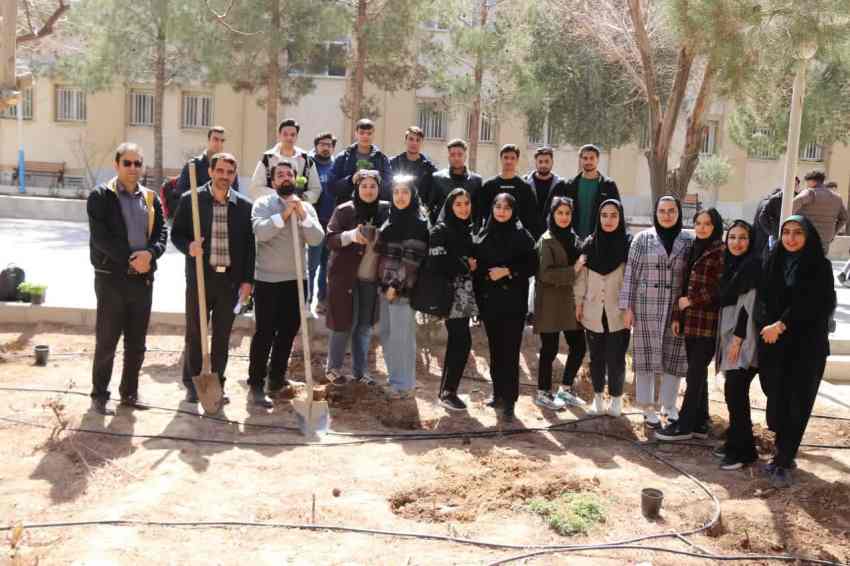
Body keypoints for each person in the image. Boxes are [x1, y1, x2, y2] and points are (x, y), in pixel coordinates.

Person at [87, 143, 168, 415]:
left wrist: (150, 255)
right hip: (111, 279)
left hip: (143, 280)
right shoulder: (101, 196)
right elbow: (101, 238)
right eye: (127, 163)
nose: (133, 168)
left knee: (136, 343)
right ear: (117, 165)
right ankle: (100, 395)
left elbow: (161, 233)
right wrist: (132, 259)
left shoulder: (151, 198)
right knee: (107, 341)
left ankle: (130, 393)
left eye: (137, 163)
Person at [756, 215, 835, 488]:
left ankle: (784, 459)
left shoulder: (820, 266)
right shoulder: (774, 260)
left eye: (798, 232)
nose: (790, 238)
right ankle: (782, 449)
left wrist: (782, 323)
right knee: (776, 401)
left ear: (808, 236)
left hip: (807, 347)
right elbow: (763, 297)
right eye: (786, 232)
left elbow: (816, 304)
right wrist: (766, 324)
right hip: (775, 344)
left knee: (797, 404)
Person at [171, 153, 255, 404]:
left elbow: (250, 248)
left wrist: (247, 281)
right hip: (200, 279)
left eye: (229, 172)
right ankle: (192, 384)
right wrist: (189, 246)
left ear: (234, 175)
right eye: (220, 170)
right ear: (210, 171)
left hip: (230, 282)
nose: (224, 176)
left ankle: (217, 384)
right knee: (195, 333)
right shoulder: (191, 200)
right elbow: (176, 234)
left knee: (221, 337)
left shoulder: (244, 206)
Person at [248, 162, 324, 407]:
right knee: (265, 333)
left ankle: (276, 379)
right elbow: (260, 232)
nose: (285, 178)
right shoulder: (263, 204)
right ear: (273, 182)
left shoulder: (306, 207)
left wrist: (301, 215)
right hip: (268, 280)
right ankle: (256, 383)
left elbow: (317, 239)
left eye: (289, 174)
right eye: (279, 175)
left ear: (295, 178)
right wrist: (284, 215)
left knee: (288, 332)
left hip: (296, 281)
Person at [619, 195, 693, 428]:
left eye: (672, 211)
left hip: (676, 309)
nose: (667, 215)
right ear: (656, 213)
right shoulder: (642, 239)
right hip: (646, 306)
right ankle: (647, 406)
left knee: (674, 356)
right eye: (662, 211)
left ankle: (669, 405)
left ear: (679, 213)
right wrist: (627, 308)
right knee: (646, 356)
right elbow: (631, 274)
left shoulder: (688, 240)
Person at [657, 208, 725, 442]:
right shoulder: (692, 248)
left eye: (707, 224)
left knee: (694, 375)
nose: (702, 228)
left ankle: (684, 425)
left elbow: (720, 288)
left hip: (708, 323)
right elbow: (683, 285)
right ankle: (700, 422)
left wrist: (692, 301)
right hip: (690, 322)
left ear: (715, 227)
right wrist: (677, 316)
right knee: (698, 373)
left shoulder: (720, 251)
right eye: (698, 223)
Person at [474, 193, 538, 422]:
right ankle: (498, 394)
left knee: (510, 353)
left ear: (513, 211)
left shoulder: (522, 235)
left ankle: (510, 401)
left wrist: (507, 271)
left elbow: (533, 264)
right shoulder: (484, 233)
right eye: (498, 206)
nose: (501, 211)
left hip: (513, 304)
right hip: (490, 303)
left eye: (507, 208)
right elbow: (478, 267)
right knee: (495, 350)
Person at [325, 170, 391, 384]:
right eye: (364, 186)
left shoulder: (386, 211)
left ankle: (360, 372)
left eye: (373, 186)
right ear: (357, 188)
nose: (368, 190)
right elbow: (330, 239)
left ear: (379, 188)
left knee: (364, 327)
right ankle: (333, 368)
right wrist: (351, 236)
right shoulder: (344, 211)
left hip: (371, 279)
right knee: (343, 324)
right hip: (345, 278)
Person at [575, 199, 632, 416]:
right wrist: (578, 303)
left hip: (619, 312)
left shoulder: (628, 244)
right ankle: (598, 399)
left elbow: (632, 280)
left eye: (613, 215)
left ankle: (616, 400)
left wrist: (630, 308)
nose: (608, 220)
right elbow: (581, 279)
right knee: (596, 357)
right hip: (593, 311)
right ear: (598, 217)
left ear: (620, 218)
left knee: (616, 358)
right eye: (604, 215)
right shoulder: (589, 244)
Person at [712, 220, 761, 471]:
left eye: (743, 238)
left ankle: (744, 452)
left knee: (735, 393)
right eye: (732, 237)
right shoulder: (733, 264)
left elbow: (747, 307)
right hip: (732, 335)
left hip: (742, 339)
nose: (737, 242)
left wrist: (738, 340)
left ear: (751, 241)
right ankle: (736, 443)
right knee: (734, 393)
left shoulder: (752, 266)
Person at [376, 175, 429, 399]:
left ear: (412, 195)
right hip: (385, 287)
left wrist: (395, 286)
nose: (400, 196)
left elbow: (411, 261)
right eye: (396, 192)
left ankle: (404, 384)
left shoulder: (417, 223)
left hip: (402, 290)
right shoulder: (390, 218)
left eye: (405, 192)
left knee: (402, 337)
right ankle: (395, 379)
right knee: (388, 334)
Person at [533, 197, 586, 410]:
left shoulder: (574, 238)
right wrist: (574, 270)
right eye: (559, 213)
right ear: (552, 215)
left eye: (567, 213)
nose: (564, 217)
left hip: (570, 301)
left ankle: (565, 389)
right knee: (549, 349)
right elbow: (545, 274)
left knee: (579, 346)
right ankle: (543, 392)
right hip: (550, 302)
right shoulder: (546, 240)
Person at [431, 188, 479, 411]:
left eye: (466, 203)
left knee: (458, 341)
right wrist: (464, 264)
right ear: (450, 207)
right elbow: (437, 262)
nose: (463, 208)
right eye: (458, 204)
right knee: (461, 341)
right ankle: (448, 392)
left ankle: (447, 391)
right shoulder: (441, 229)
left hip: (465, 293)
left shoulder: (468, 229)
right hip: (449, 293)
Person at [548, 144, 620, 239]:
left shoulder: (608, 185)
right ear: (580, 160)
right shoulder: (569, 185)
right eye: (585, 158)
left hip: (598, 239)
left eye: (592, 158)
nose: (588, 161)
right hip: (572, 240)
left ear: (597, 160)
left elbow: (617, 213)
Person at [475, 144, 543, 239]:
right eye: (506, 157)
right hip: (492, 236)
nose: (509, 161)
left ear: (517, 160)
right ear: (501, 159)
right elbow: (480, 213)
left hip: (518, 238)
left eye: (512, 158)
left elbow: (532, 217)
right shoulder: (489, 185)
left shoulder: (525, 187)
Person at [248, 118, 321, 204]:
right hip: (271, 207)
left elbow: (316, 189)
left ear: (297, 136)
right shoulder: (267, 158)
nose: (289, 137)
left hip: (298, 207)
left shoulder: (307, 160)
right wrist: (282, 196)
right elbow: (255, 188)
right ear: (279, 135)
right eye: (285, 134)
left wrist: (300, 198)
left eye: (293, 135)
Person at [173, 127, 240, 216]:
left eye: (222, 140)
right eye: (216, 139)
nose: (219, 143)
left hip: (222, 216)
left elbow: (235, 195)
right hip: (197, 216)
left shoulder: (230, 168)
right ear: (208, 140)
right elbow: (181, 193)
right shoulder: (193, 165)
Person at [329, 118, 393, 203]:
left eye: (369, 133)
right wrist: (351, 179)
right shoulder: (342, 157)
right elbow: (331, 187)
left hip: (374, 207)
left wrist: (379, 180)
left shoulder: (382, 159)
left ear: (374, 135)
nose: (365, 136)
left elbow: (390, 189)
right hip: (349, 206)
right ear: (356, 134)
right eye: (362, 133)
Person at [308, 132, 338, 314]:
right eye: (322, 144)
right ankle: (307, 300)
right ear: (316, 146)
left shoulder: (336, 165)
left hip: (332, 223)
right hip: (313, 222)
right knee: (312, 265)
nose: (325, 148)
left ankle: (322, 300)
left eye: (329, 145)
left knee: (327, 265)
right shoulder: (309, 164)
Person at [428, 139, 482, 225]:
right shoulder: (438, 178)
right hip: (443, 230)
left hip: (467, 230)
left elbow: (478, 211)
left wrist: (475, 230)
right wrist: (435, 228)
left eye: (460, 154)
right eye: (452, 155)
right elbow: (430, 207)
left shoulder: (476, 180)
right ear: (448, 157)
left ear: (465, 156)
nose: (456, 158)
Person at [793, 171, 847, 255]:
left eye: (806, 182)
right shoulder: (837, 198)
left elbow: (791, 206)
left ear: (812, 181)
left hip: (806, 238)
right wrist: (833, 233)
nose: (806, 185)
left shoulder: (809, 192)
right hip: (825, 240)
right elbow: (844, 218)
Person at [389, 126, 437, 206]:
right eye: (411, 139)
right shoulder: (392, 163)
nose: (414, 143)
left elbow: (432, 195)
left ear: (422, 143)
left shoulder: (430, 168)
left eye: (418, 140)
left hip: (419, 210)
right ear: (405, 141)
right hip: (397, 208)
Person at [757, 177, 799, 251]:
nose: (792, 187)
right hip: (777, 236)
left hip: (795, 236)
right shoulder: (775, 199)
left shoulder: (799, 198)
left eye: (795, 185)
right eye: (790, 184)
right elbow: (762, 217)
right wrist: (772, 232)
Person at [524, 146, 564, 221]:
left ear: (552, 162)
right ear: (535, 162)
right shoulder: (524, 183)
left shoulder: (561, 184)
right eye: (540, 162)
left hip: (551, 227)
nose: (543, 165)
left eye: (547, 161)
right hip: (529, 227)